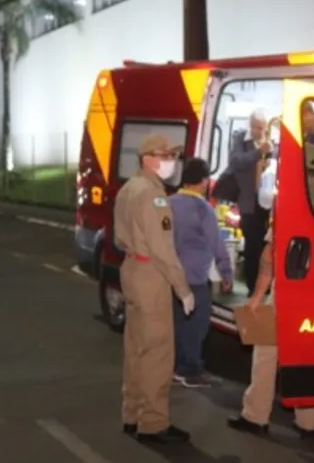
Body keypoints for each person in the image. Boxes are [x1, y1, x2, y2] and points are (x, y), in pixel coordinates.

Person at [114, 133, 196, 445]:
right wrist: (183, 288)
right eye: (165, 155)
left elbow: (121, 237)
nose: (170, 162)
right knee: (158, 352)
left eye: (172, 156)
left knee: (136, 349)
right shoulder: (152, 196)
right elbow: (163, 249)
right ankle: (153, 423)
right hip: (151, 273)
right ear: (148, 158)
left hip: (132, 268)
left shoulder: (129, 188)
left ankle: (132, 415)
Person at [227, 225, 314, 438]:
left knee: (266, 353)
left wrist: (257, 297)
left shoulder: (288, 203)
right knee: (306, 355)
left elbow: (270, 256)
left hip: (288, 290)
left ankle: (255, 416)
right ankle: (308, 421)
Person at [168, 157, 234, 388]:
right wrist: (226, 273)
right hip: (194, 278)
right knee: (196, 326)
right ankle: (191, 370)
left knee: (176, 324)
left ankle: (175, 367)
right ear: (204, 181)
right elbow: (216, 243)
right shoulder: (202, 208)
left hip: (172, 277)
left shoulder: (169, 202)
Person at [228, 108, 273, 295]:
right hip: (248, 202)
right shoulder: (240, 138)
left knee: (266, 247)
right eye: (255, 127)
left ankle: (265, 286)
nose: (258, 131)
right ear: (250, 125)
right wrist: (257, 153)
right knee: (252, 246)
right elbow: (236, 161)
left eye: (262, 128)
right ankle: (252, 287)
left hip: (266, 203)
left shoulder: (270, 141)